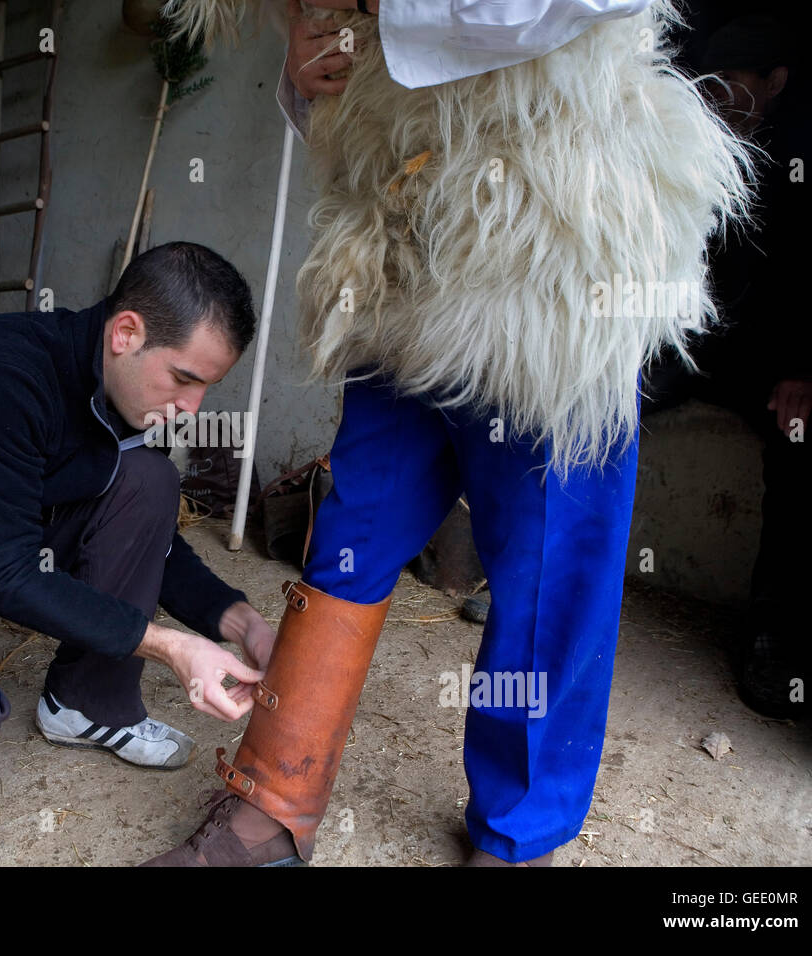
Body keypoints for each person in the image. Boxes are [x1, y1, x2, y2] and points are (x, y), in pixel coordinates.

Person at [145, 0, 750, 866]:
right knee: (354, 527)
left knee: (548, 566)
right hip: (399, 241)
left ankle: (517, 835)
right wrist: (307, 44)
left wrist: (376, 11)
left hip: (553, 241)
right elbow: (339, 69)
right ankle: (274, 800)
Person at [0, 242, 278, 784]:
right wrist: (170, 646)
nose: (192, 407)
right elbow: (3, 572)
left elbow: (152, 544)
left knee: (150, 481)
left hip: (4, 540)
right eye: (184, 378)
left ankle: (87, 705)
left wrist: (240, 622)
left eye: (206, 385)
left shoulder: (126, 392)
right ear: (125, 332)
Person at [643, 16, 812, 719]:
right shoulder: (693, 137)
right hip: (695, 339)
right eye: (712, 83)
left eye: (736, 84)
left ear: (777, 82)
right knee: (606, 395)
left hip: (779, 361)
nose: (720, 97)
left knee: (807, 445)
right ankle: (539, 581)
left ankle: (769, 634)